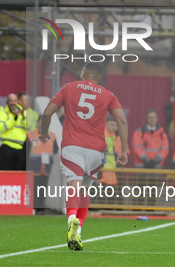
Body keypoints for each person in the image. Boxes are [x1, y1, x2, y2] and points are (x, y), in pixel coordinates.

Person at [39, 62, 128, 251]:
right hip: (96, 150)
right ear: (99, 77)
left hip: (73, 146)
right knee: (85, 189)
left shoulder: (69, 88)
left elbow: (47, 111)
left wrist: (44, 133)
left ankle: (71, 219)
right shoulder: (108, 95)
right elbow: (121, 120)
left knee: (73, 185)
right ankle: (77, 232)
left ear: (84, 73)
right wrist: (124, 150)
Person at [26, 116, 58, 213]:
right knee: (34, 187)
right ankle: (34, 207)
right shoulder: (31, 134)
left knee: (43, 187)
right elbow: (27, 149)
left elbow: (56, 149)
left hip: (47, 166)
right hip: (34, 165)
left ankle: (41, 207)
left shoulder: (52, 135)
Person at [0, 93, 26, 170]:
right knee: (5, 171)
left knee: (18, 173)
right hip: (7, 146)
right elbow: (0, 128)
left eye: (15, 101)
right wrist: (13, 119)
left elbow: (30, 128)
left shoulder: (23, 112)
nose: (13, 103)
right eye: (11, 101)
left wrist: (23, 117)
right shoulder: (3, 113)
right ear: (7, 102)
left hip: (20, 147)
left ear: (18, 101)